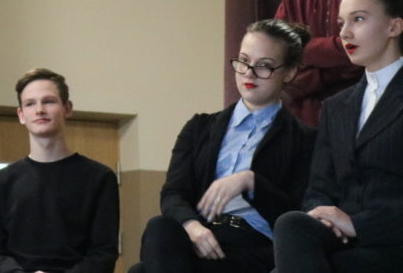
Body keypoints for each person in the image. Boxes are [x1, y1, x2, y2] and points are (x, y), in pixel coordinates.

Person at [129, 20, 316, 273]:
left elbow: (297, 214)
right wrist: (192, 227)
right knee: (160, 227)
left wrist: (250, 182)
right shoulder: (199, 127)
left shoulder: (305, 140)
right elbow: (174, 193)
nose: (249, 73)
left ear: (290, 72)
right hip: (200, 235)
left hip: (254, 246)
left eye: (264, 65)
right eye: (244, 61)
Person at [273, 0, 403, 272]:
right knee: (292, 223)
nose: (344, 33)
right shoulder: (336, 107)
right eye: (341, 23)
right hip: (341, 240)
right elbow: (318, 189)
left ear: (394, 26)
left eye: (358, 19)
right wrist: (323, 217)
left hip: (391, 242)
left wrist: (357, 225)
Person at [0, 68, 119, 273]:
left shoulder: (100, 178)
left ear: (67, 108)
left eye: (49, 101)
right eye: (30, 103)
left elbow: (103, 253)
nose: (39, 110)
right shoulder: (0, 181)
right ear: (21, 115)